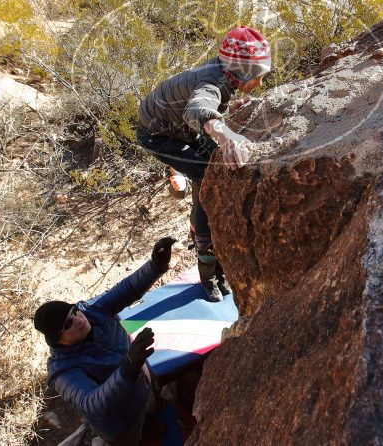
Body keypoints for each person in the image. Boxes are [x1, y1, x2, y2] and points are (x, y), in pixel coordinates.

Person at [136, 25, 271, 301]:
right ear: (239, 71)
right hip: (157, 135)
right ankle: (206, 264)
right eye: (255, 75)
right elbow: (198, 108)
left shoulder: (223, 73)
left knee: (214, 169)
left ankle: (204, 234)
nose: (258, 82)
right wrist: (227, 136)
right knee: (206, 179)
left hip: (178, 128)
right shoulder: (213, 81)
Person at [33, 236, 178, 445]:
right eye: (67, 324)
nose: (78, 319)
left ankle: (150, 423)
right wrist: (128, 367)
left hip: (141, 385)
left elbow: (126, 289)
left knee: (150, 412)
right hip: (120, 421)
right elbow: (93, 403)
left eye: (73, 311)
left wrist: (156, 265)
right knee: (133, 438)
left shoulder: (91, 310)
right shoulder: (63, 373)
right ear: (58, 339)